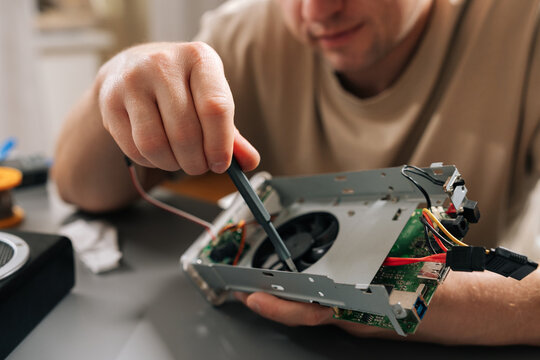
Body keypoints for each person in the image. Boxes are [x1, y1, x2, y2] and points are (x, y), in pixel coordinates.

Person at [53, 0, 540, 345]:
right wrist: (117, 77)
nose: (315, 12)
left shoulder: (524, 26)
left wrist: (414, 299)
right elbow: (79, 187)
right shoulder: (244, 32)